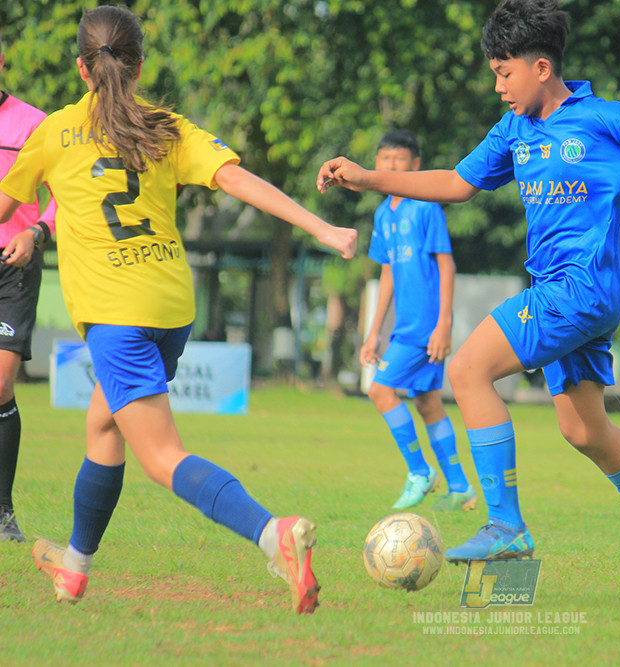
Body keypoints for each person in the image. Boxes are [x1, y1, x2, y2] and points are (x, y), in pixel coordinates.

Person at [319, 0, 620, 601]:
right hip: (559, 294)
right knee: (584, 431)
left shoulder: (603, 119)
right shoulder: (515, 130)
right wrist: (369, 179)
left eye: (504, 73)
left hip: (579, 291)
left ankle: (506, 525)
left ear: (540, 66)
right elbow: (455, 183)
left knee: (467, 369)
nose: (498, 86)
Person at [0, 5, 357, 613]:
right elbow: (239, 181)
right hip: (171, 304)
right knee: (102, 423)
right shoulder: (165, 126)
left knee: (163, 457)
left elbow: (6, 209)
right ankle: (75, 568)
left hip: (118, 316)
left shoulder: (54, 132)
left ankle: (275, 535)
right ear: (139, 65)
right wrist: (320, 227)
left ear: (81, 68)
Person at [360, 129, 477, 512]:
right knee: (427, 402)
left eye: (398, 159)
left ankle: (419, 472)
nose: (389, 165)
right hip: (403, 325)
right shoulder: (382, 213)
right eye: (383, 158)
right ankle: (460, 487)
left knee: (380, 391)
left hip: (424, 325)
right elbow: (388, 272)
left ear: (415, 165)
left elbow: (447, 265)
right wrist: (373, 332)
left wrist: (443, 324)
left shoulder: (426, 206)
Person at [0, 30, 59, 544]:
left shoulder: (34, 123)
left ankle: (2, 512)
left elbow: (64, 193)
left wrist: (36, 230)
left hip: (13, 263)